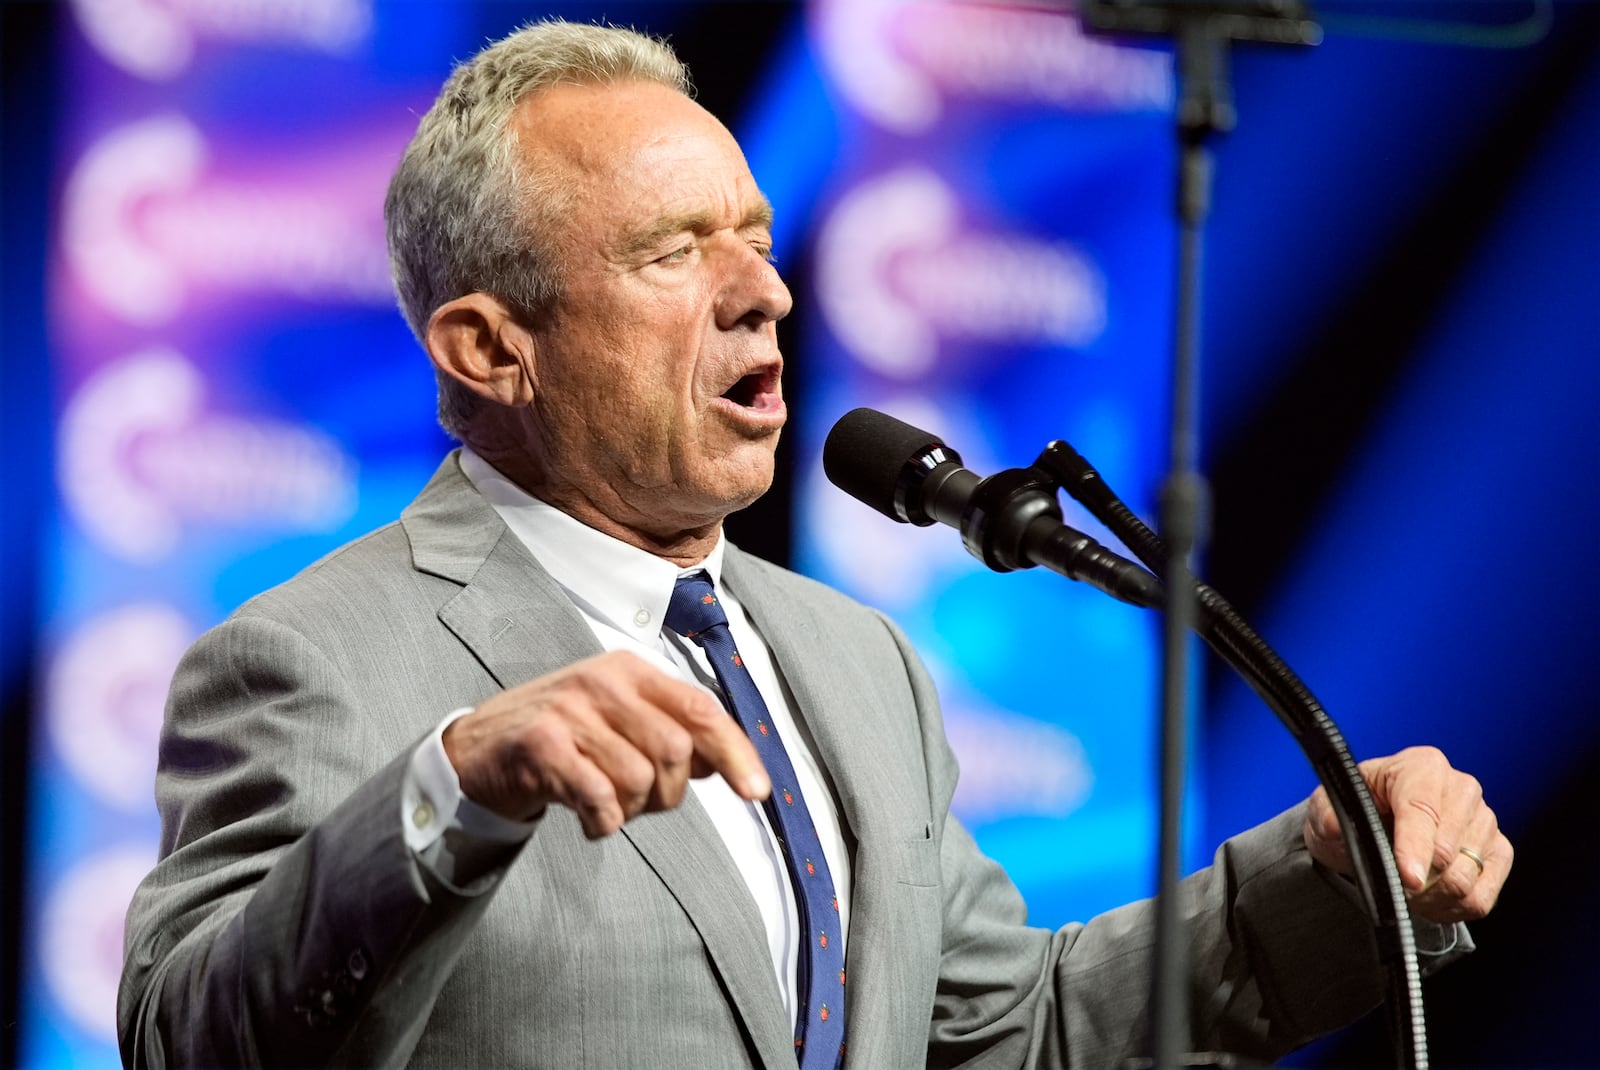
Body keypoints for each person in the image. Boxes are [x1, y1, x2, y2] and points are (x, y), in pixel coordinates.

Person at [117, 19, 1511, 1069]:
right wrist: (454, 788)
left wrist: (1333, 872)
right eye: (674, 251)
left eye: (758, 238)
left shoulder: (856, 663)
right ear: (491, 348)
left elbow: (1015, 1031)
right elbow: (190, 1037)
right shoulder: (306, 655)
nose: (766, 293)